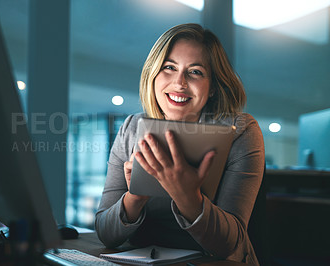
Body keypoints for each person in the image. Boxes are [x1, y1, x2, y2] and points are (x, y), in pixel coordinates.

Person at [94, 23, 265, 265]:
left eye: (195, 72)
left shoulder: (241, 131)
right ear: (153, 74)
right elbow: (105, 232)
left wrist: (188, 197)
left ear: (213, 86)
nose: (179, 82)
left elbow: (229, 244)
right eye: (169, 67)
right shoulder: (132, 128)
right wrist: (136, 196)